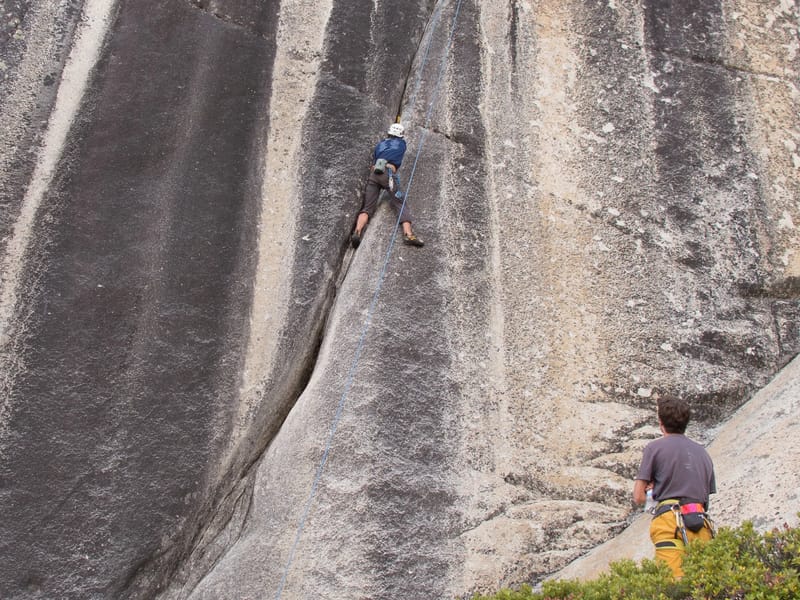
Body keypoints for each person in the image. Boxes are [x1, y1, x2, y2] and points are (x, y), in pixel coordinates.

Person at [632, 395, 716, 578]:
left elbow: (638, 497)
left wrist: (652, 489)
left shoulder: (654, 448)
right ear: (686, 422)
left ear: (660, 422)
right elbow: (704, 496)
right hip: (700, 522)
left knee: (673, 585)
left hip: (670, 522)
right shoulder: (703, 453)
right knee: (703, 585)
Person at [350, 123, 424, 248]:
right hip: (388, 174)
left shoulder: (380, 144)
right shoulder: (401, 144)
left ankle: (357, 231)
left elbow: (375, 160)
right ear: (400, 135)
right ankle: (408, 234)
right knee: (400, 203)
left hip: (374, 174)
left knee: (367, 208)